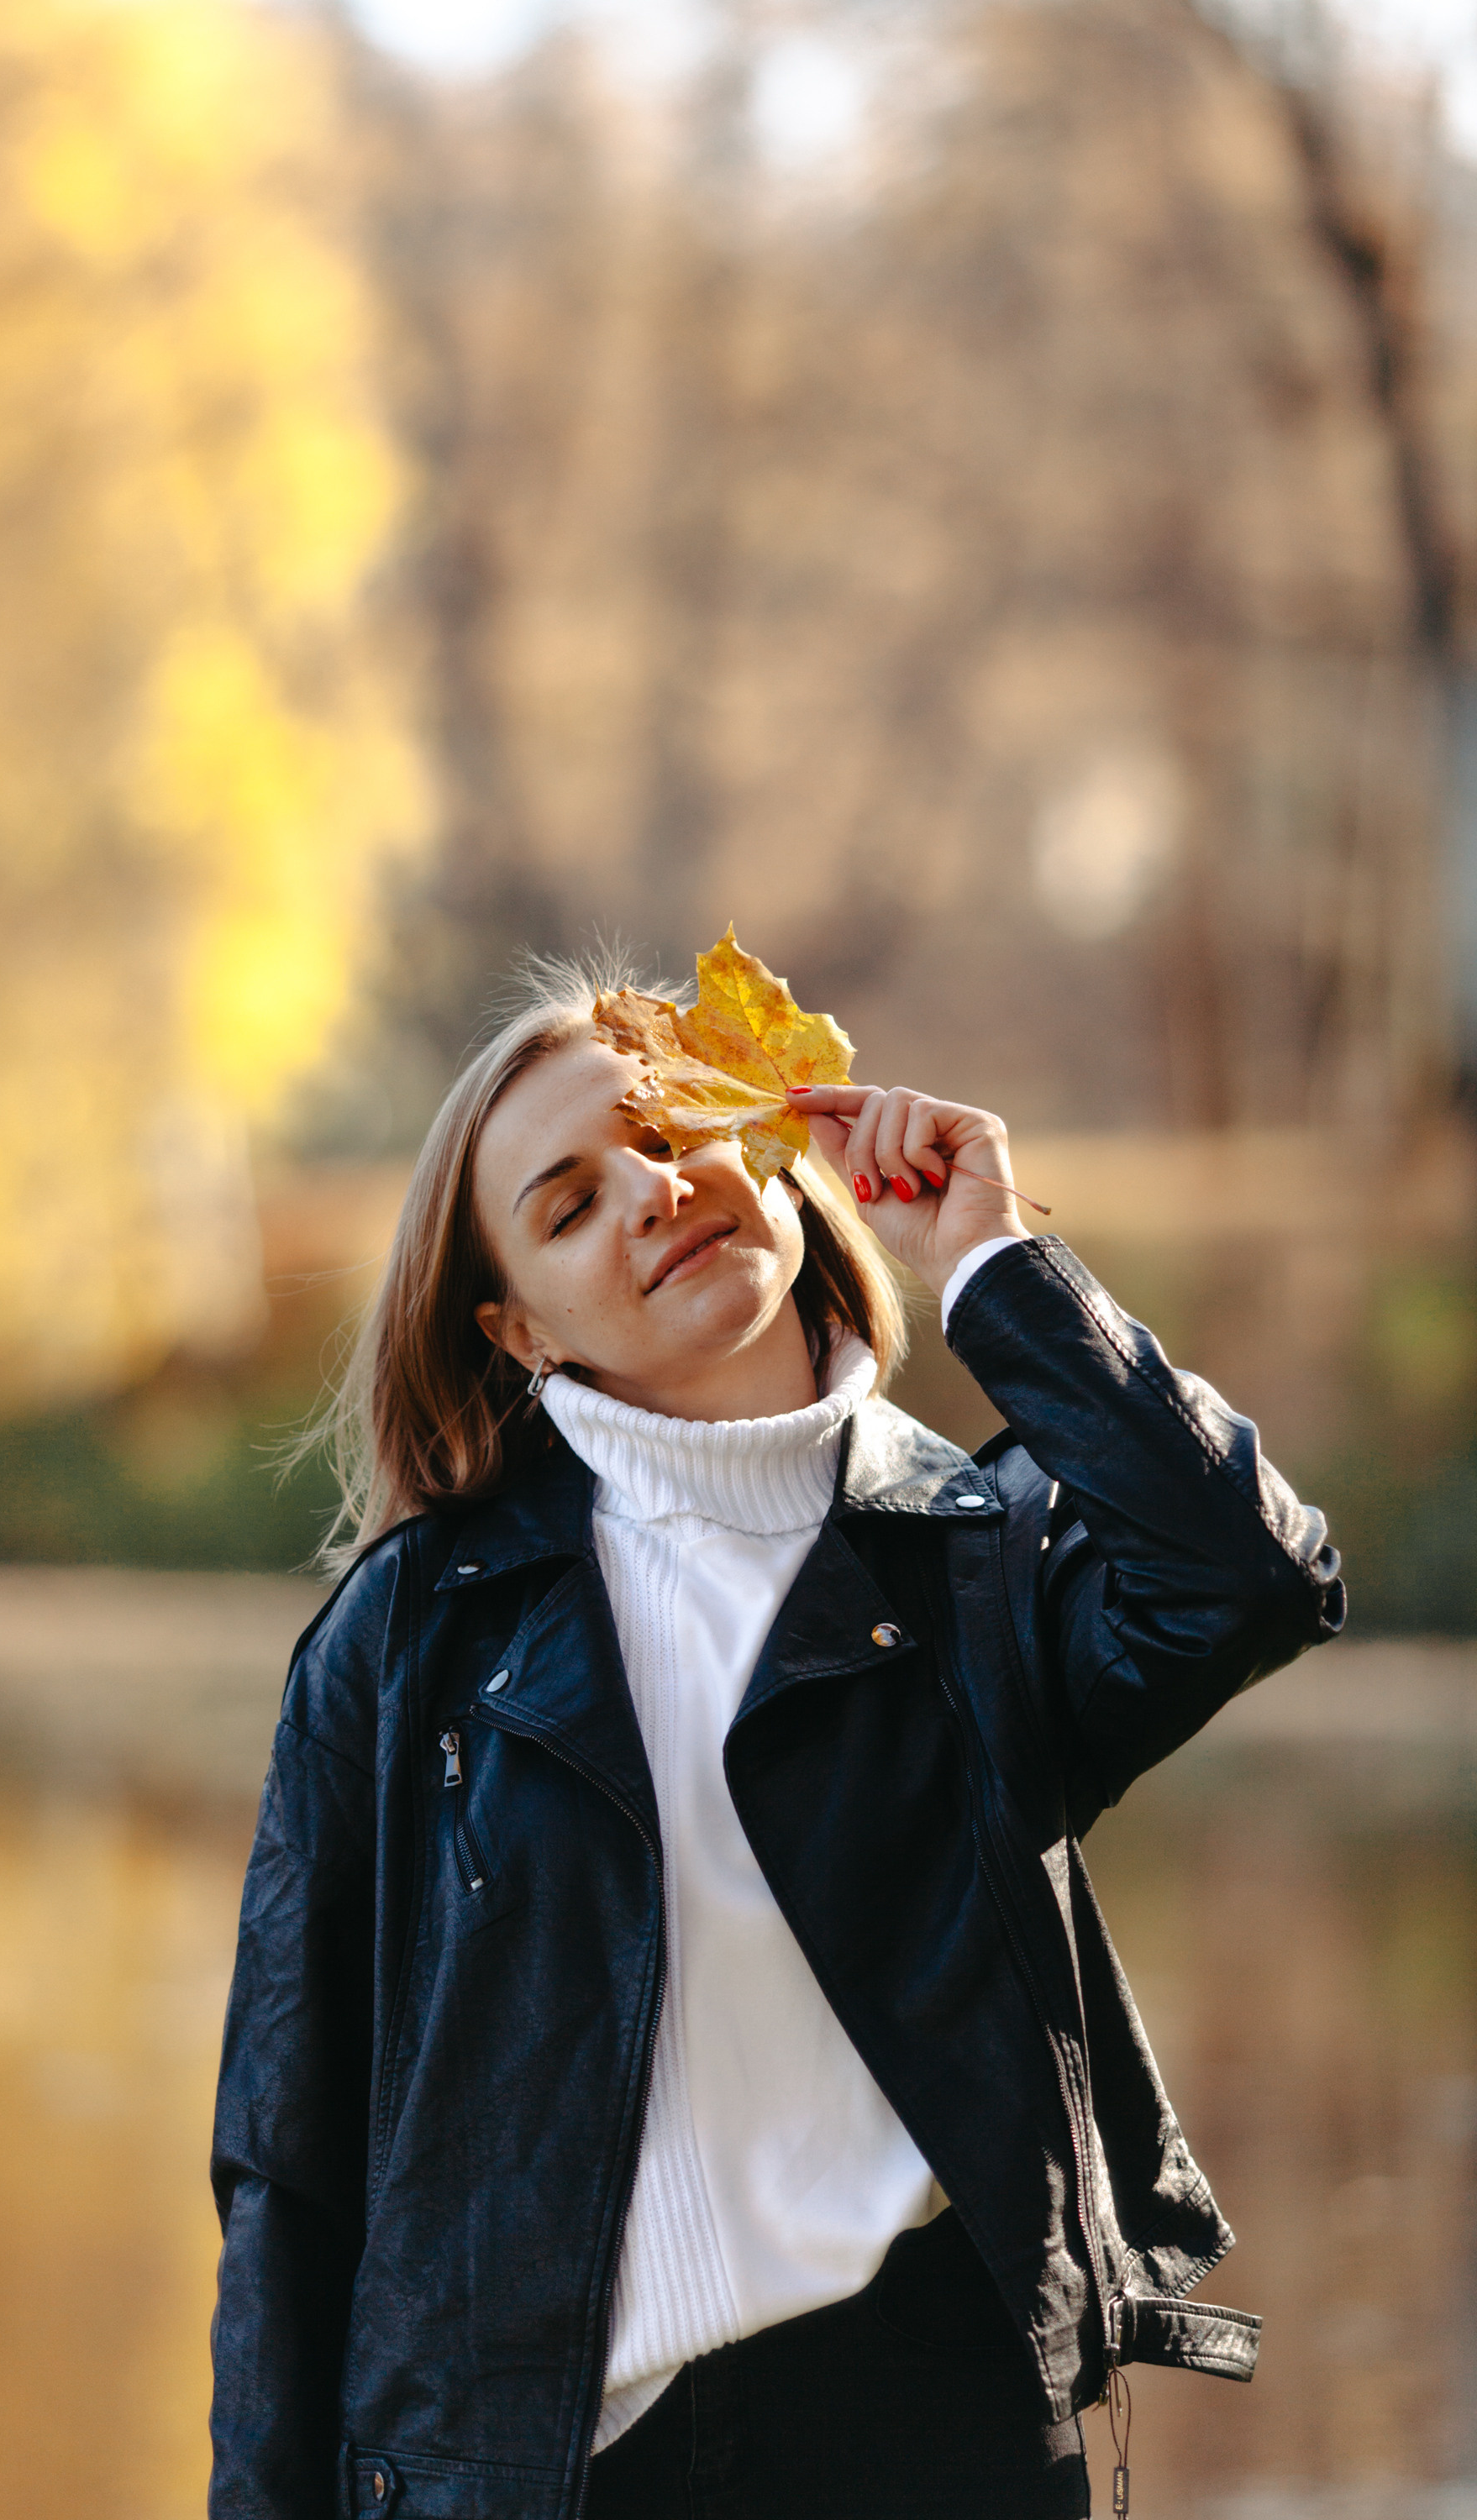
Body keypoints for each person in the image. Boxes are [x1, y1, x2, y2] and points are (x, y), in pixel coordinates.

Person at [208, 957, 1343, 2520]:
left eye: (675, 1132)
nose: (654, 1196)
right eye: (569, 1205)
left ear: (771, 1152)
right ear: (516, 1328)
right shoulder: (410, 1639)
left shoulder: (972, 1555)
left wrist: (997, 1268)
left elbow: (1248, 1577)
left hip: (932, 2434)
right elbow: (290, 2162)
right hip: (546, 2467)